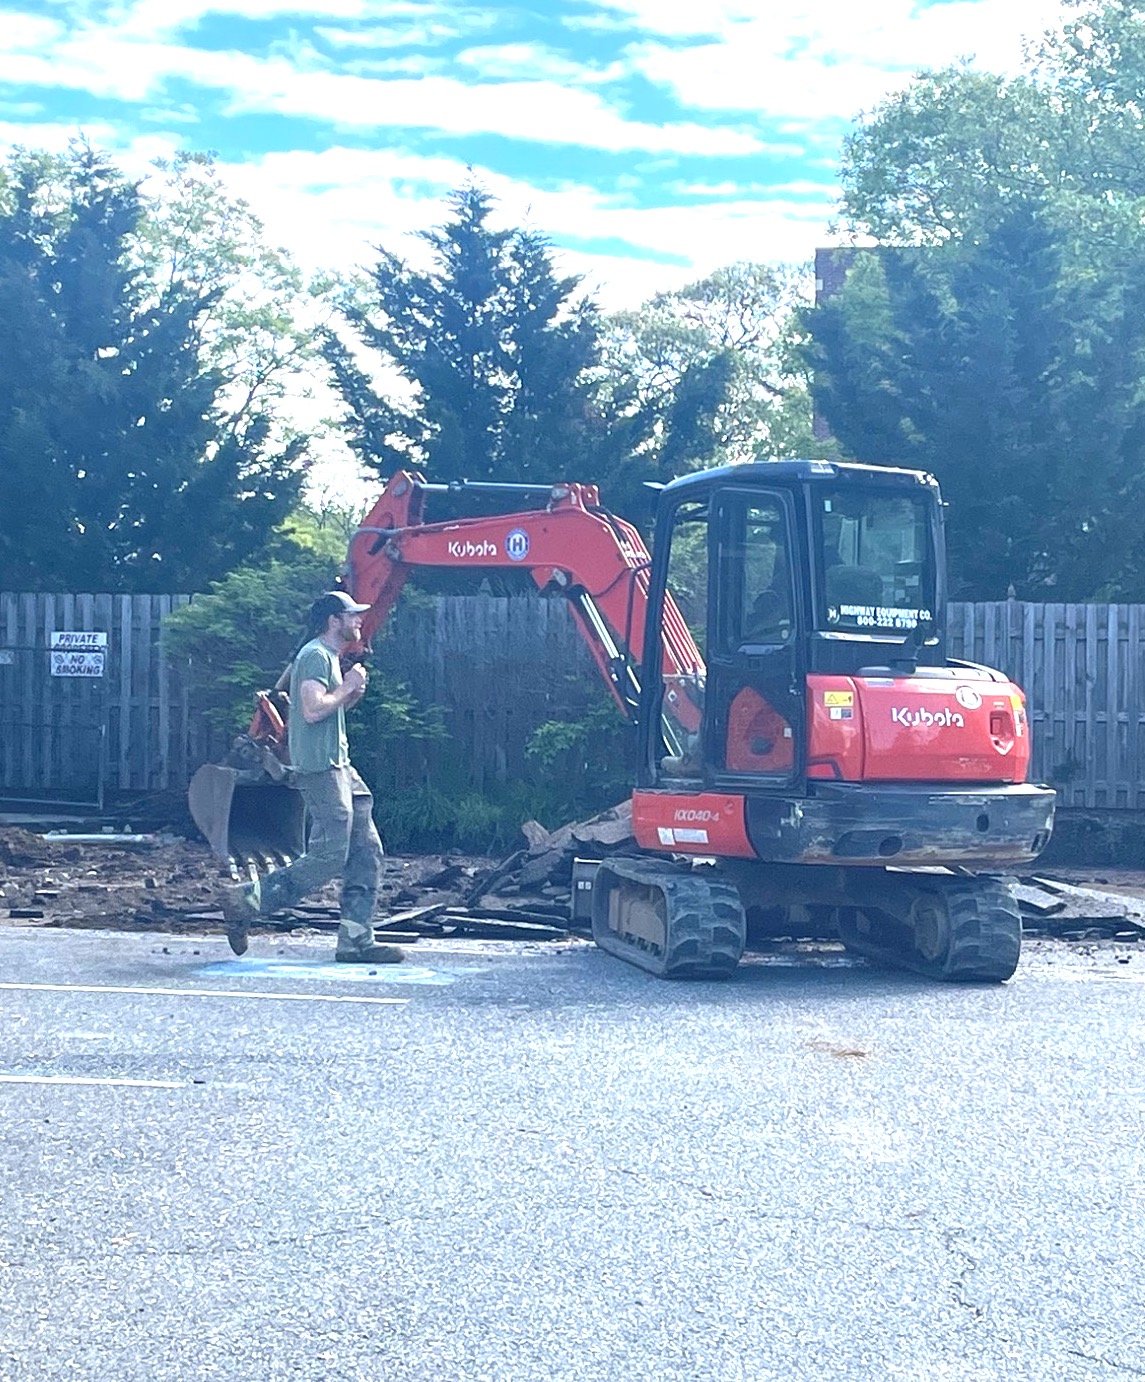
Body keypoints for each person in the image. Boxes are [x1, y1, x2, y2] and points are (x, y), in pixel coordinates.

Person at [221, 591, 403, 964]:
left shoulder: (329, 657)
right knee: (330, 855)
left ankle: (355, 940)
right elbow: (313, 708)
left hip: (340, 765)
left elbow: (326, 710)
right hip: (321, 769)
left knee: (366, 850)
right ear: (333, 621)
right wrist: (348, 688)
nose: (358, 621)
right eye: (352, 616)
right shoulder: (316, 656)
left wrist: (352, 693)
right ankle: (245, 900)